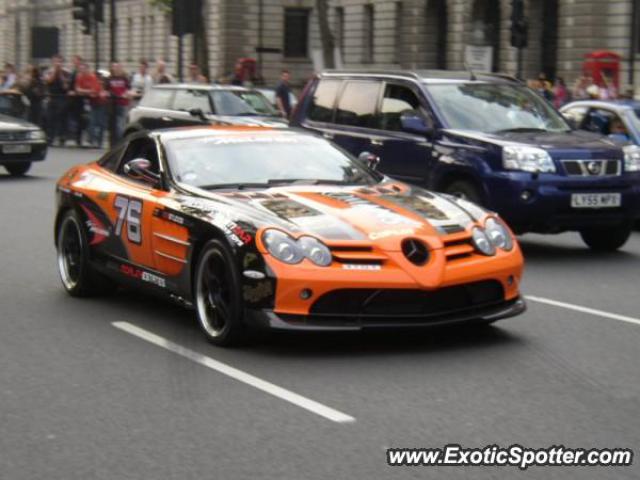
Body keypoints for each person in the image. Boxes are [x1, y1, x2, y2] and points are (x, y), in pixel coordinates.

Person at [45, 55, 71, 146]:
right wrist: (55, 71)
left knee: (61, 117)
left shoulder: (65, 73)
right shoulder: (49, 71)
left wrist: (60, 74)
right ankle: (50, 137)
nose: (57, 63)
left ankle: (62, 137)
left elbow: (65, 86)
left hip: (61, 97)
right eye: (55, 61)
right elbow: (49, 81)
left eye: (59, 61)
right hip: (52, 97)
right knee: (50, 118)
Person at [105, 63, 131, 141]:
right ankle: (116, 140)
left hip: (123, 103)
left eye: (119, 67)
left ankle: (121, 140)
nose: (117, 69)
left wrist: (126, 94)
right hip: (113, 104)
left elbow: (129, 89)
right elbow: (107, 90)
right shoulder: (110, 79)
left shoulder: (124, 79)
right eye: (115, 67)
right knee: (114, 124)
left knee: (121, 123)